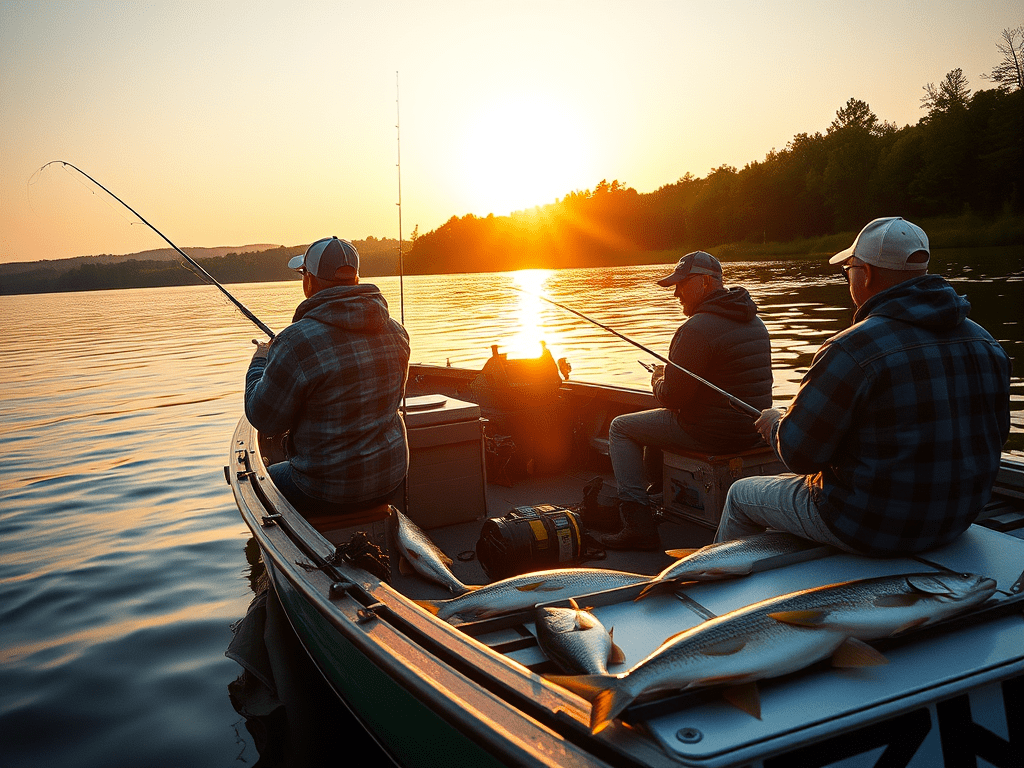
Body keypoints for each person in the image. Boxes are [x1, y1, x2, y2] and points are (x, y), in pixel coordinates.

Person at [715, 217, 1011, 555]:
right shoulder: (986, 343)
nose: (848, 279)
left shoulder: (851, 349)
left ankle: (712, 582)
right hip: (956, 521)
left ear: (866, 273)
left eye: (848, 271)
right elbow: (995, 436)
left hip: (870, 526)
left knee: (741, 494)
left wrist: (774, 425)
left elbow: (799, 456)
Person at [245, 236, 410, 562]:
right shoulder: (397, 332)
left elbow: (263, 418)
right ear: (356, 278)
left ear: (309, 281)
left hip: (324, 491)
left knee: (258, 480)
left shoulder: (295, 342)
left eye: (303, 274)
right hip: (390, 478)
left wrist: (261, 360)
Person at [601, 251, 773, 550]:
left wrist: (657, 380)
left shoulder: (695, 329)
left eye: (682, 284)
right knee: (656, 422)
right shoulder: (754, 321)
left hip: (711, 433)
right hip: (752, 431)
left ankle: (637, 524)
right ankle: (660, 493)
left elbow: (672, 398)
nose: (676, 293)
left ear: (706, 282)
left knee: (621, 427)